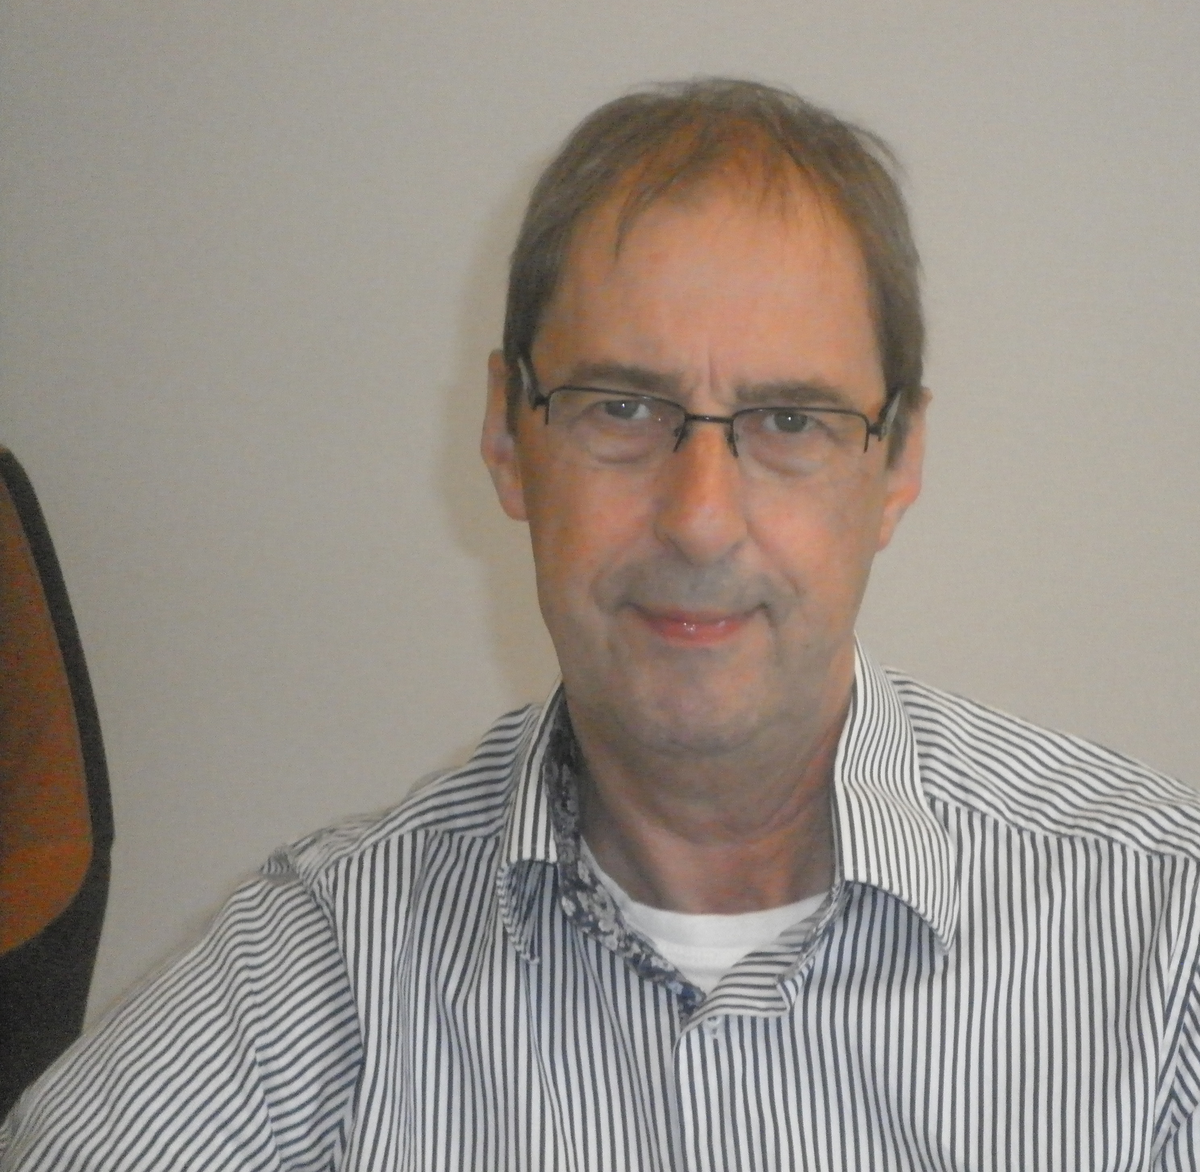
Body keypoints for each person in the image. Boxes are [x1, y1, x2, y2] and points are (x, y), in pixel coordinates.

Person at [3, 78, 1200, 1171]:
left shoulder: (1160, 936)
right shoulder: (323, 968)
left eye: (790, 421)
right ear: (506, 435)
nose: (700, 520)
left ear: (898, 464)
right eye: (621, 407)